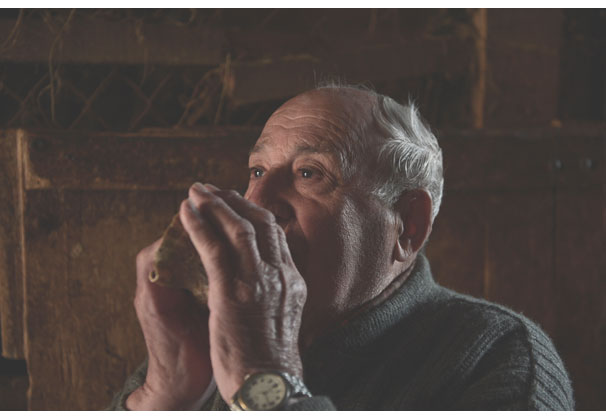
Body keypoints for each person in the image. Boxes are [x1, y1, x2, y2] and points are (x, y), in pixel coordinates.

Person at [109, 85, 574, 410]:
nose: (258, 203)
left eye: (309, 173)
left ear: (407, 225)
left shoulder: (501, 357)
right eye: (257, 171)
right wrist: (163, 396)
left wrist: (266, 384)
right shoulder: (216, 331)